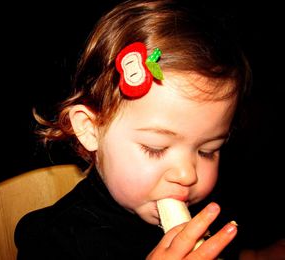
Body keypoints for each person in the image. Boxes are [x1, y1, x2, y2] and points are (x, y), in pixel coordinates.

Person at [15, 0, 285, 259]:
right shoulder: (55, 242)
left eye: (207, 151)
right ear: (91, 129)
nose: (186, 174)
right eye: (156, 149)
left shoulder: (207, 208)